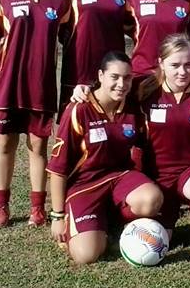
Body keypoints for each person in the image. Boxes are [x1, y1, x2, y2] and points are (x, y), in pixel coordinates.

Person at [0, 0, 72, 228]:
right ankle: (1, 207)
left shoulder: (61, 3)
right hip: (7, 83)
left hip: (41, 87)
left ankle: (37, 208)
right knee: (5, 144)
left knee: (38, 147)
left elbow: (73, 42)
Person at [47, 52, 164, 265]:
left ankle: (113, 221)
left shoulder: (132, 105)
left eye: (127, 78)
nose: (121, 84)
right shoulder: (79, 109)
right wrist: (57, 215)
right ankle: (91, 223)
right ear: (100, 75)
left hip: (120, 177)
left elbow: (161, 75)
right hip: (84, 185)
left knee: (151, 199)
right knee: (86, 255)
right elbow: (58, 168)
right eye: (114, 77)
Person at [138, 34, 190, 248]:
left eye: (188, 65)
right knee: (160, 242)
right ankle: (166, 214)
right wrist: (84, 90)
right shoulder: (144, 90)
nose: (182, 71)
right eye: (175, 65)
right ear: (161, 63)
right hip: (157, 176)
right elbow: (109, 91)